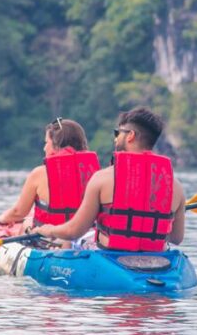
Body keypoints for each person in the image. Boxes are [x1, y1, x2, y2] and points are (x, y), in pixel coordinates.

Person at [34, 107, 186, 251]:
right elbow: (176, 238)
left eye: (117, 133)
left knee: (71, 241)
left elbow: (74, 231)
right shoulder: (175, 186)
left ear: (130, 135)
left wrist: (50, 230)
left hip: (109, 258)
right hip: (156, 262)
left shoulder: (102, 179)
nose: (115, 139)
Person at [0, 118, 100, 238]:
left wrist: (2, 219)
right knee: (28, 220)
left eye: (46, 143)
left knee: (26, 223)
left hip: (50, 238)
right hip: (86, 236)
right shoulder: (95, 173)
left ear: (57, 145)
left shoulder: (39, 174)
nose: (44, 148)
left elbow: (18, 212)